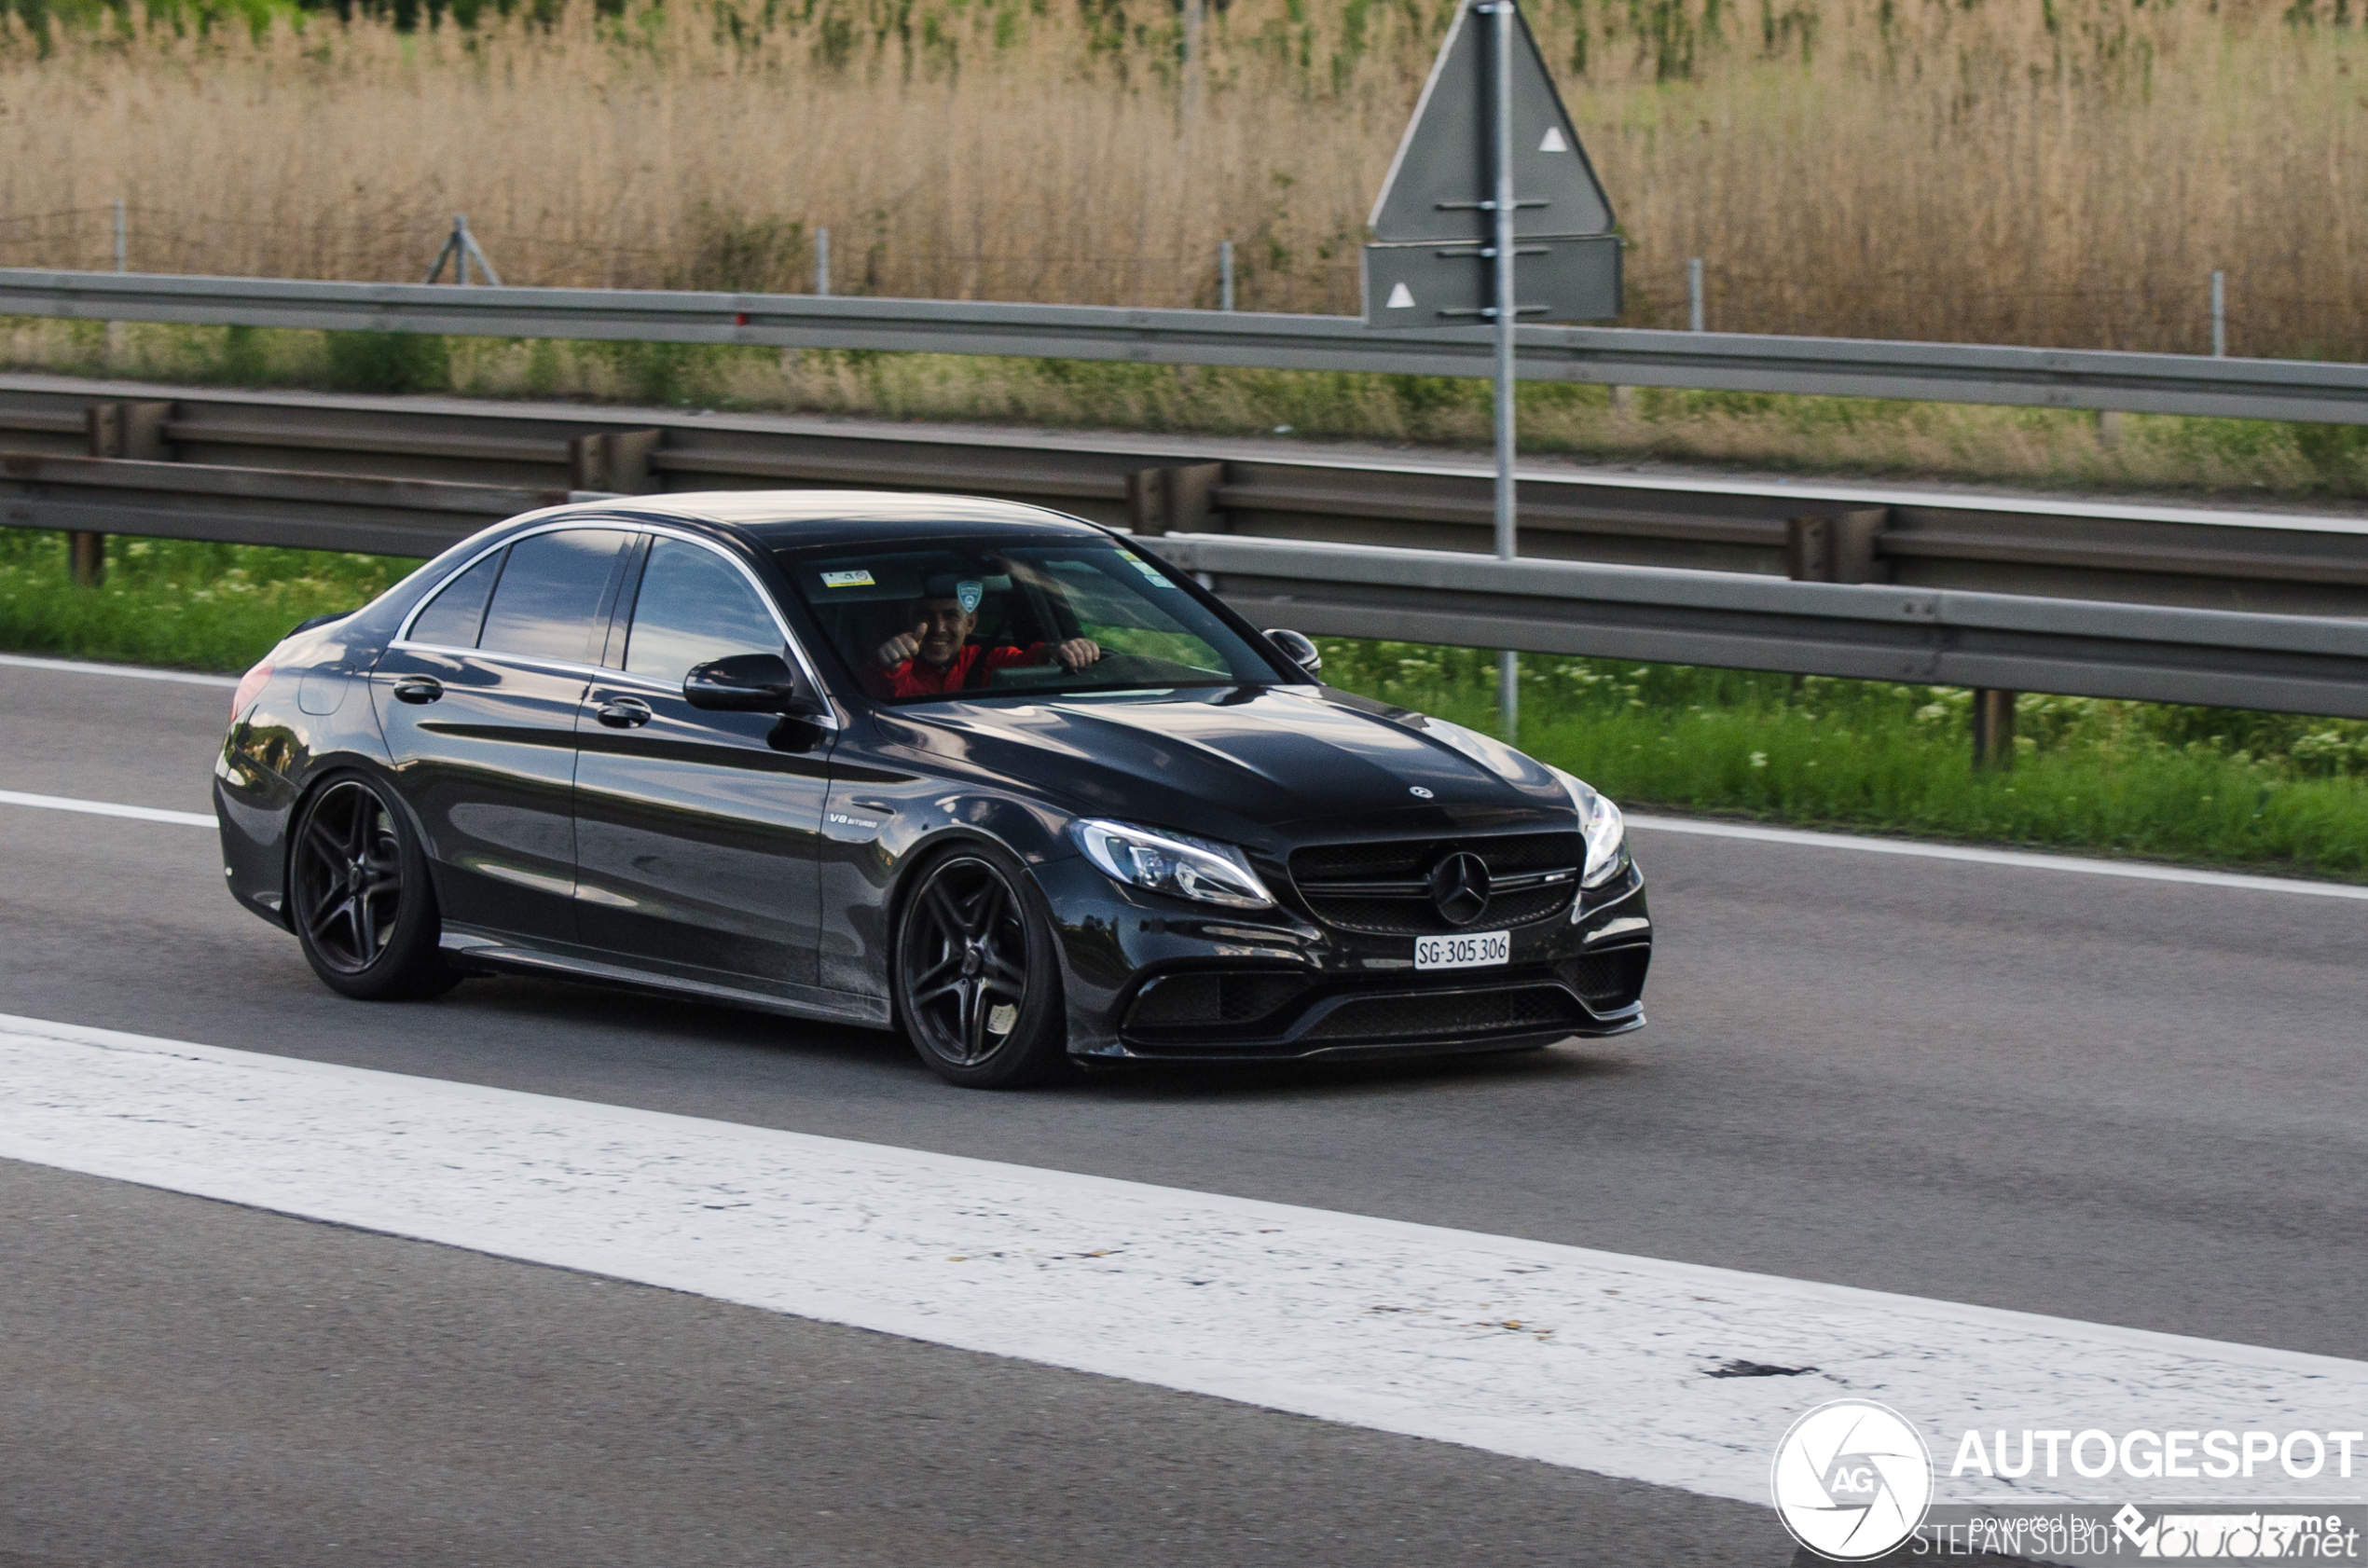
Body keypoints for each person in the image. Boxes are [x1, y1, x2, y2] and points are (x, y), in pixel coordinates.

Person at [862, 588, 1102, 698]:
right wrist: (888, 666)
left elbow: (1034, 661)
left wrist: (1064, 649)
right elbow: (877, 692)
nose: (938, 629)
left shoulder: (988, 660)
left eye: (951, 615)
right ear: (909, 620)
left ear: (971, 623)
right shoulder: (893, 666)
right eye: (925, 616)